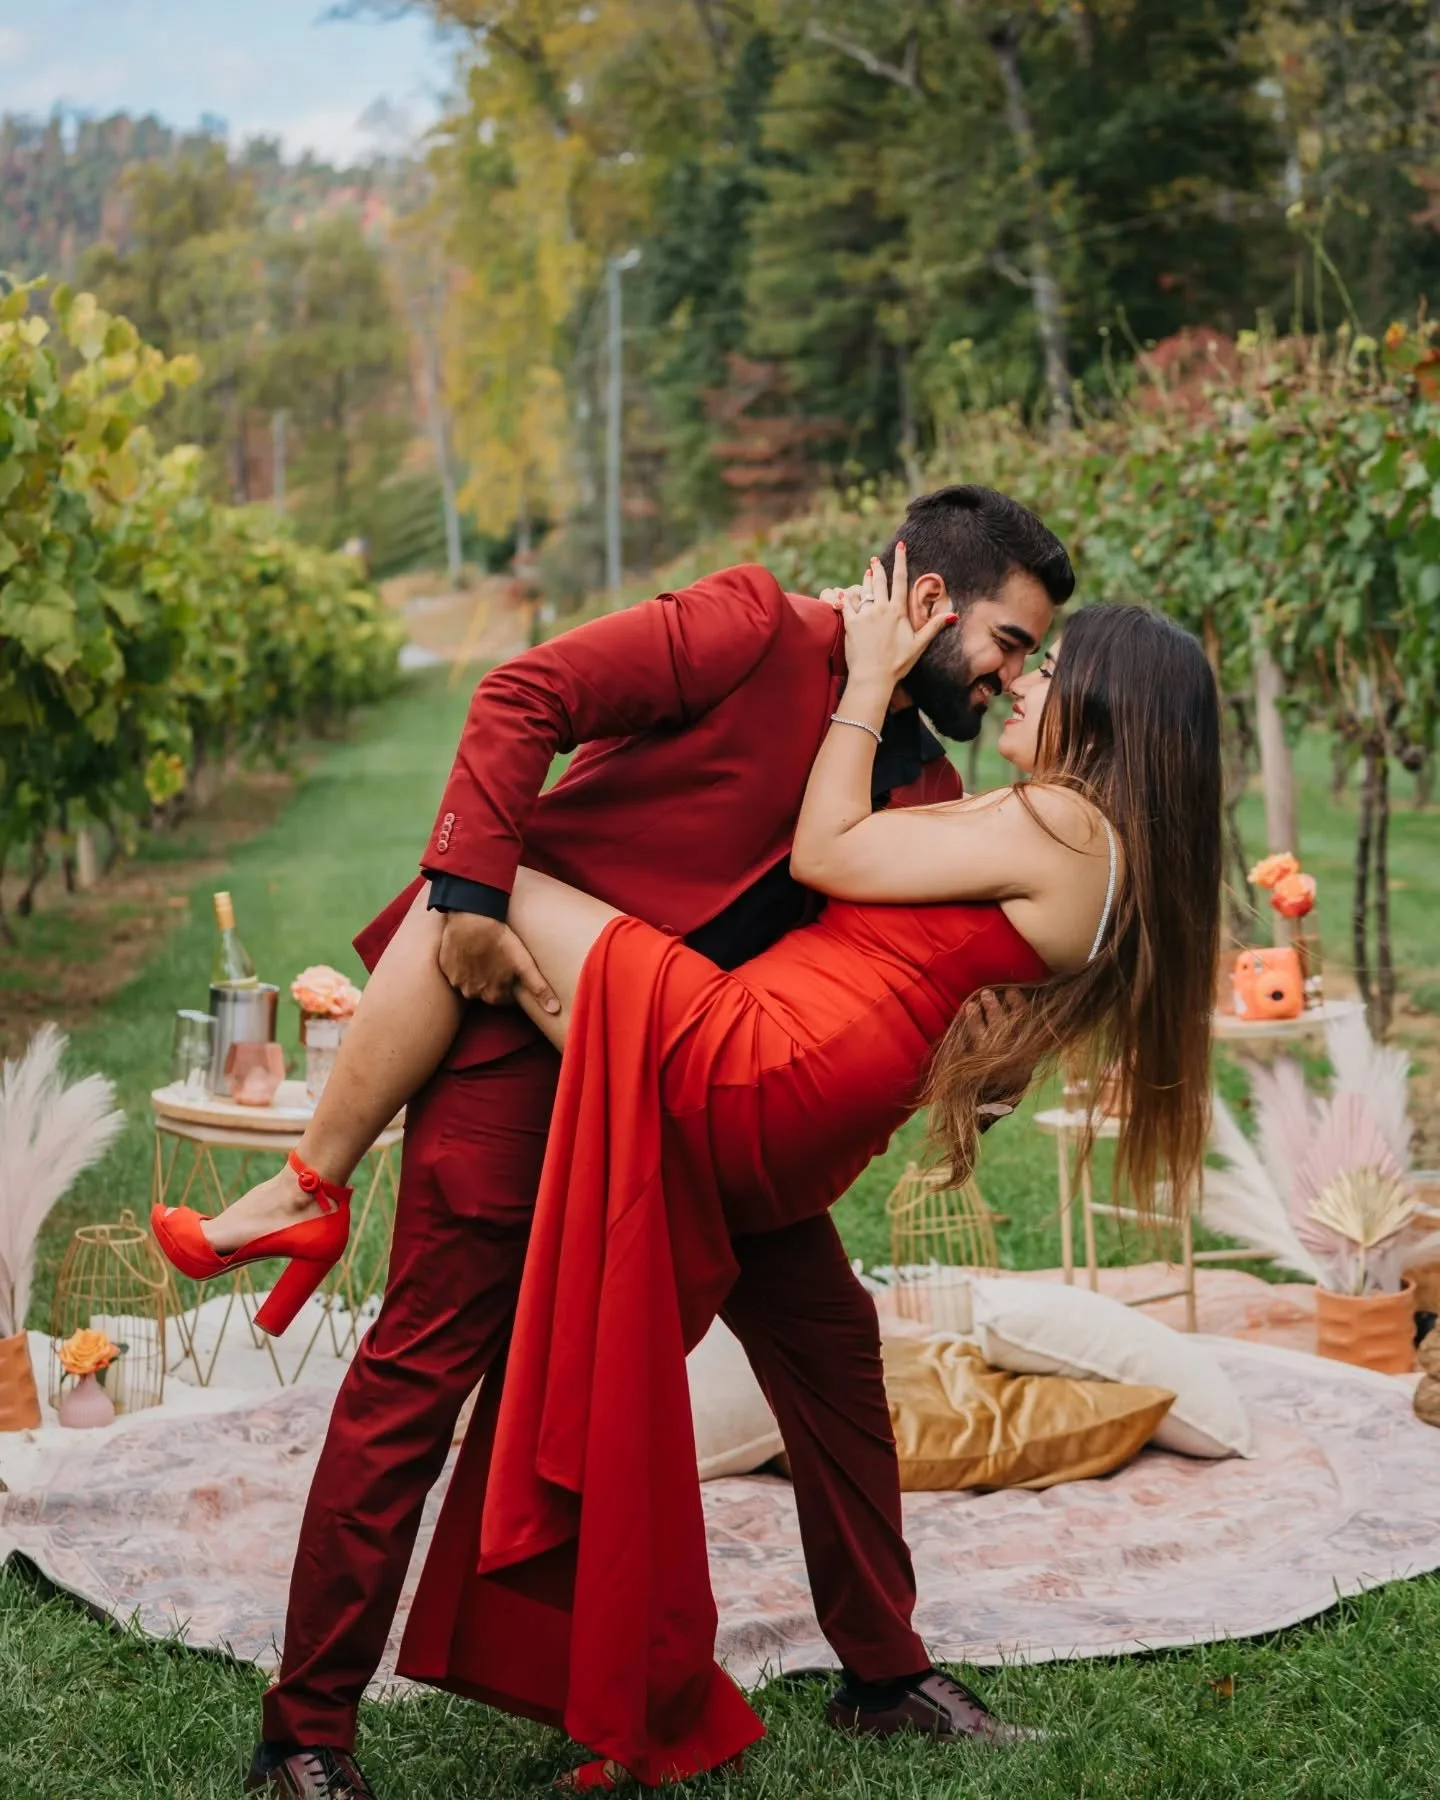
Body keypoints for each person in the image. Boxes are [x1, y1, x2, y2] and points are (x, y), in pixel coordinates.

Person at [155, 488, 1088, 1798]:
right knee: (417, 1380)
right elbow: (519, 695)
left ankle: (885, 1672)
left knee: (831, 1351)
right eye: (1005, 640)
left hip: (706, 1103)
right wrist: (473, 907)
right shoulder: (750, 627)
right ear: (932, 601)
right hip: (522, 1067)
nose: (1005, 679)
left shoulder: (924, 779)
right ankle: (303, 1734)